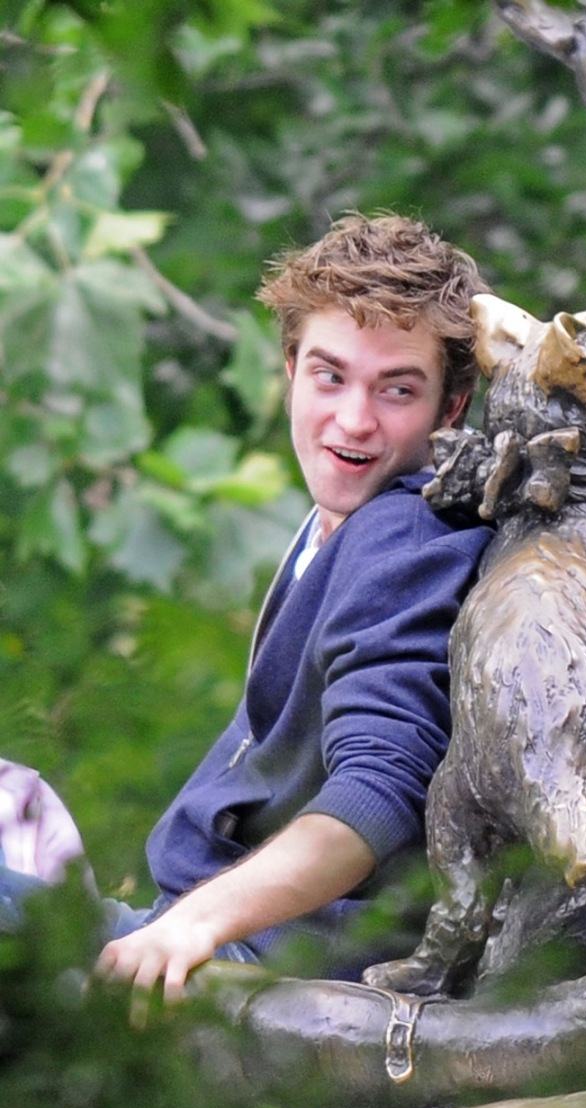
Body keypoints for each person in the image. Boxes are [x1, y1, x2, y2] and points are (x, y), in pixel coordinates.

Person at [31, 212, 493, 999]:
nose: (354, 420)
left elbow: (377, 791)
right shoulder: (342, 524)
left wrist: (193, 925)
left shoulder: (407, 535)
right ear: (289, 367)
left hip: (260, 977)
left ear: (451, 407)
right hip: (184, 930)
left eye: (397, 389)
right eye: (329, 375)